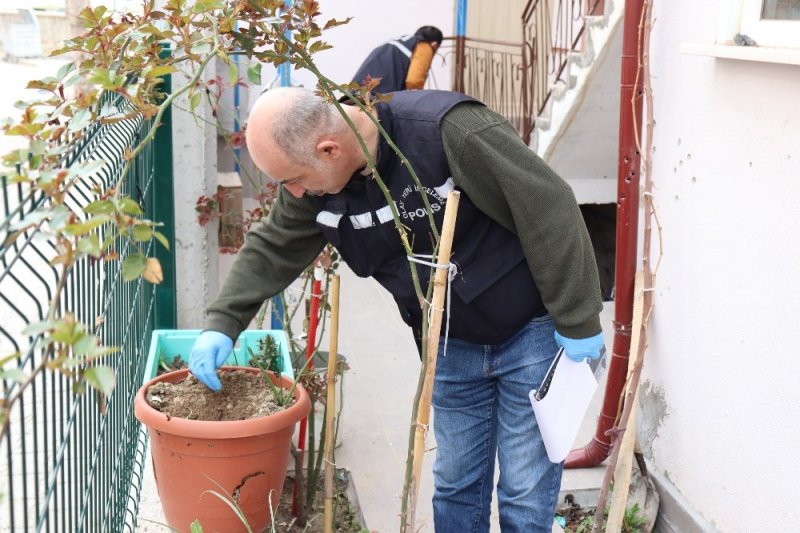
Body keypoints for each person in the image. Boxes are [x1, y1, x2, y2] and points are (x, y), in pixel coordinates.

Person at [188, 87, 605, 533]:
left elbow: (547, 205)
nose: (294, 192)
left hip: (532, 333)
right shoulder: (317, 184)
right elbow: (273, 246)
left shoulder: (450, 133)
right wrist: (223, 324)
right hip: (448, 341)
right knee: (457, 483)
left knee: (524, 493)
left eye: (293, 179)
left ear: (328, 149)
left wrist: (577, 318)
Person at [350, 25, 443, 94]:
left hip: (353, 92)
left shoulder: (398, 42)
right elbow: (414, 82)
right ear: (434, 44)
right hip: (376, 97)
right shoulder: (424, 45)